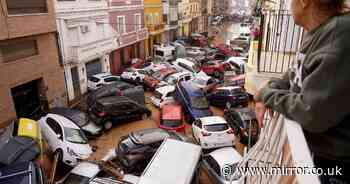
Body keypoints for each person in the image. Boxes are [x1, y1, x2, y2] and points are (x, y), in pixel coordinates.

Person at [254, 0, 350, 183]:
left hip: (339, 168)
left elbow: (311, 113)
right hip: (324, 156)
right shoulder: (322, 32)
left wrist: (266, 95)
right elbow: (294, 75)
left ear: (305, 2)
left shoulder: (338, 34)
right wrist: (272, 87)